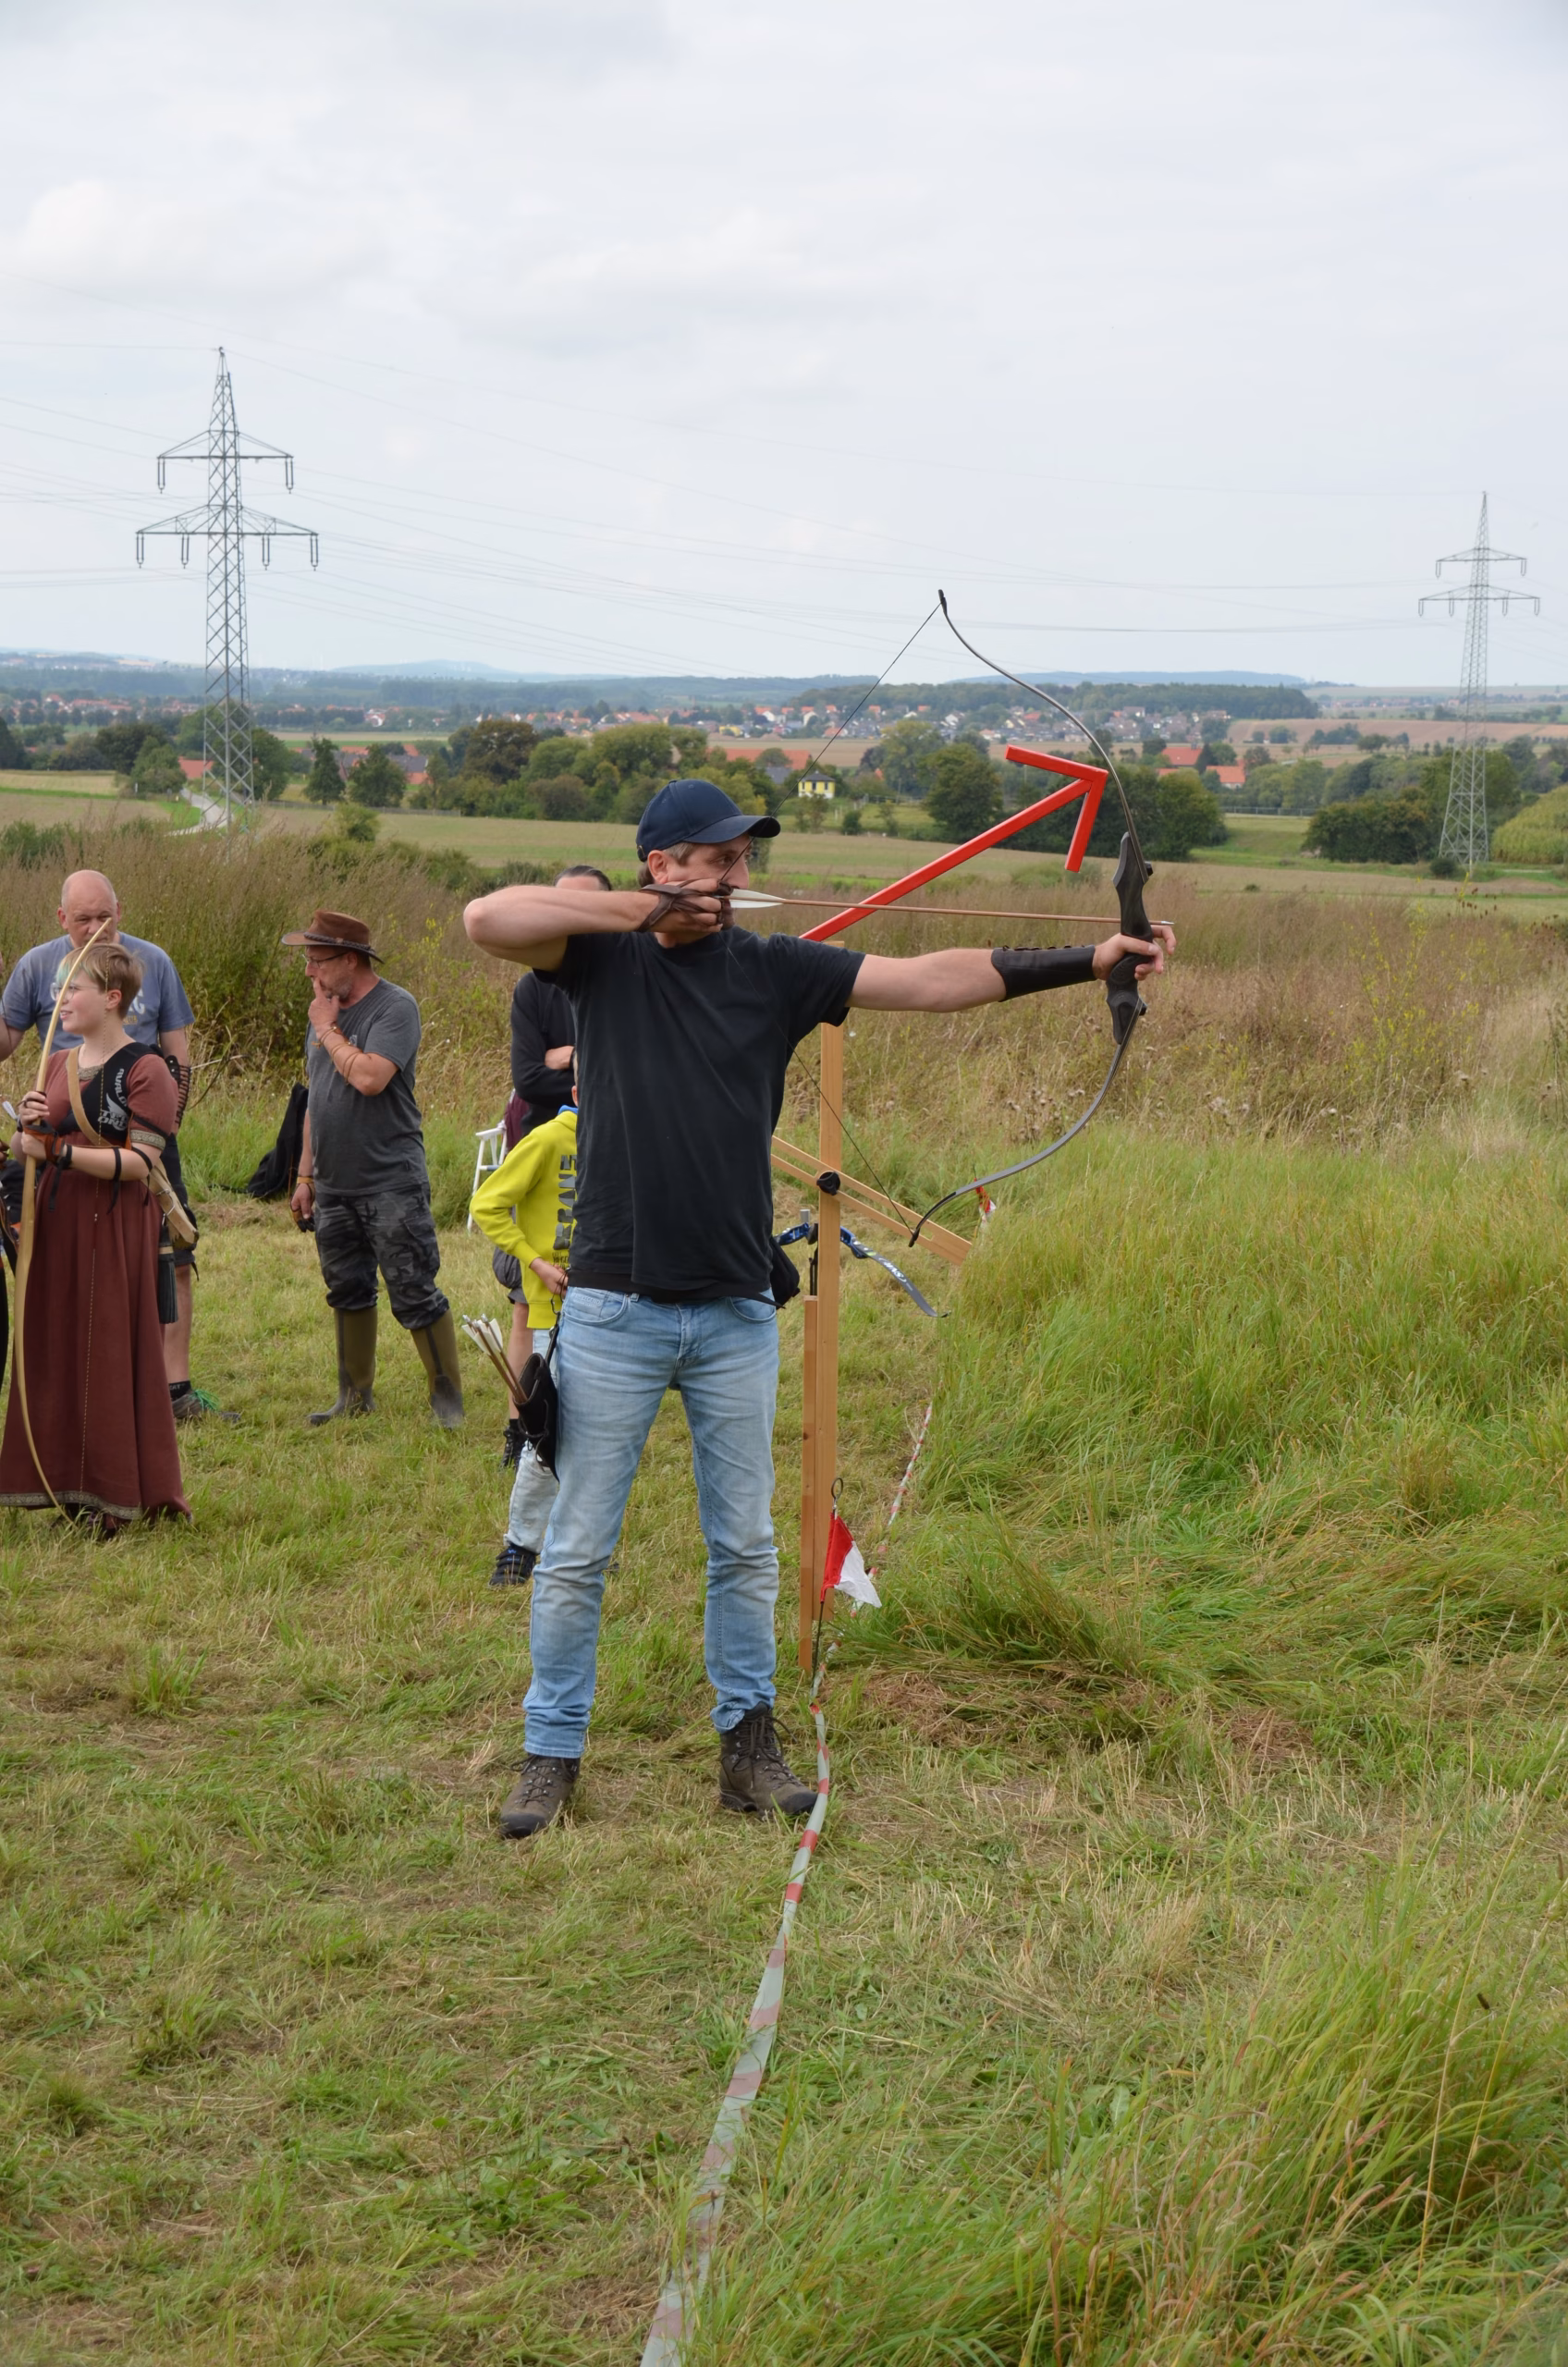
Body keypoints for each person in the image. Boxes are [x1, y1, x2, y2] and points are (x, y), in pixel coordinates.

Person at [463, 779, 1174, 1842]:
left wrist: (1089, 961)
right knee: (575, 1549)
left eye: (741, 859)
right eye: (712, 858)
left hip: (736, 1307)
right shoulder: (596, 962)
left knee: (744, 1546)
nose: (734, 874)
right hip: (611, 1303)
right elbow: (487, 919)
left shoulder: (774, 969)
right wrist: (641, 911)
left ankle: (747, 1748)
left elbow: (930, 979)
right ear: (660, 863)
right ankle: (549, 1753)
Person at [0, 869, 221, 1423]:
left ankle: (176, 1391)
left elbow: (177, 1052)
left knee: (172, 1257)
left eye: (106, 917)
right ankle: (84, 1384)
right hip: (59, 1137)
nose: (97, 930)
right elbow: (7, 1038)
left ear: (120, 910)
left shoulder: (154, 962)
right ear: (61, 920)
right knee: (64, 1257)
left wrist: (164, 1127)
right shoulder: (35, 966)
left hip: (139, 1132)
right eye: (83, 921)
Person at [0, 940, 188, 1530]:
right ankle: (66, 1487)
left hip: (114, 1225)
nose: (59, 999)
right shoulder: (55, 1065)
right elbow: (23, 1152)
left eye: (71, 989)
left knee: (103, 1351)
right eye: (59, 988)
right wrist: (26, 1130)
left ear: (111, 998)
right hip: (55, 1225)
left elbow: (141, 1164)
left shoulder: (147, 1067)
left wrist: (56, 1149)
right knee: (57, 1348)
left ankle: (116, 1495)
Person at [284, 908, 464, 1429]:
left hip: (391, 1176)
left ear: (349, 959)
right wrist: (305, 1176)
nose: (310, 974)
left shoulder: (395, 1008)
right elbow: (317, 1097)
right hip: (334, 1183)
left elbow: (369, 1078)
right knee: (346, 1287)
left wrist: (327, 1030)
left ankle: (446, 1399)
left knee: (413, 1286)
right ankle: (354, 1397)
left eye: (317, 962)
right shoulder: (322, 1011)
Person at [495, 865, 611, 1466]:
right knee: (526, 1300)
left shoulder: (626, 975)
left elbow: (631, 1070)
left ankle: (590, 1424)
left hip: (613, 1145)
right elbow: (527, 1078)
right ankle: (522, 1426)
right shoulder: (533, 987)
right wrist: (584, 1061)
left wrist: (566, 1055)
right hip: (545, 1141)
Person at [469, 1087, 578, 1588]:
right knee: (549, 1433)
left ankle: (581, 1538)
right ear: (579, 1090)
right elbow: (488, 1203)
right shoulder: (546, 1140)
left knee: (596, 1438)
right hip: (554, 1312)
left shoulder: (625, 1138)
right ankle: (519, 1548)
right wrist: (534, 1262)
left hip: (615, 1312)